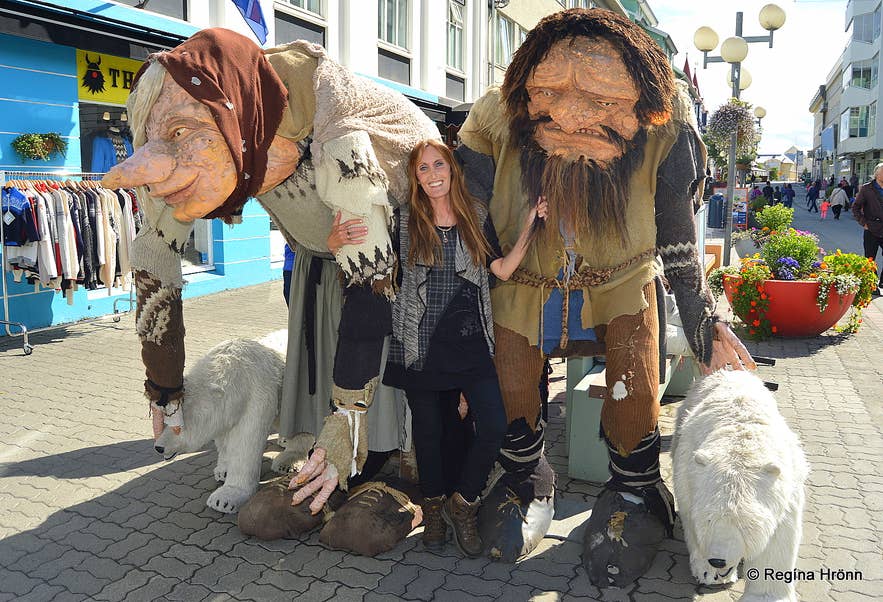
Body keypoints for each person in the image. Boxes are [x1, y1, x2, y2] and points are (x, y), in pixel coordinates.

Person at [455, 8, 755, 584]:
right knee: (513, 378)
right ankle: (524, 473)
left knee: (632, 386)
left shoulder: (665, 123)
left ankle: (637, 488)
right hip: (521, 284)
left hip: (622, 284)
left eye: (599, 99)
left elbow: (676, 239)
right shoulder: (498, 111)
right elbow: (470, 217)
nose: (568, 114)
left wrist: (701, 323)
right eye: (551, 91)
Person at [380, 139, 547, 557]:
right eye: (423, 169)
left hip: (471, 341)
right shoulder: (403, 219)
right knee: (429, 435)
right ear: (415, 177)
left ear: (452, 169)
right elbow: (380, 266)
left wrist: (531, 223)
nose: (433, 174)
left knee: (492, 427)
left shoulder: (475, 214)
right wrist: (337, 239)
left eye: (439, 165)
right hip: (420, 342)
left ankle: (463, 503)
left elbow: (502, 269)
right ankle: (433, 511)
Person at [852, 163, 883, 293]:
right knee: (870, 258)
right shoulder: (867, 188)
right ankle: (873, 285)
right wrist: (864, 223)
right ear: (876, 174)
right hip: (871, 228)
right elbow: (856, 207)